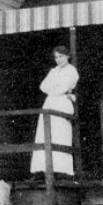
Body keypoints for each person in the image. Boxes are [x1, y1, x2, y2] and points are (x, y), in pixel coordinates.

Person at [29, 46, 79, 177]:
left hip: (62, 103)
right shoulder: (53, 71)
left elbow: (64, 87)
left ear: (67, 56)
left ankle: (61, 170)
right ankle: (43, 168)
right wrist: (54, 88)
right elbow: (43, 86)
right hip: (50, 102)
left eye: (61, 56)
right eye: (56, 57)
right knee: (45, 133)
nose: (58, 60)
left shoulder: (71, 71)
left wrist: (55, 88)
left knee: (60, 134)